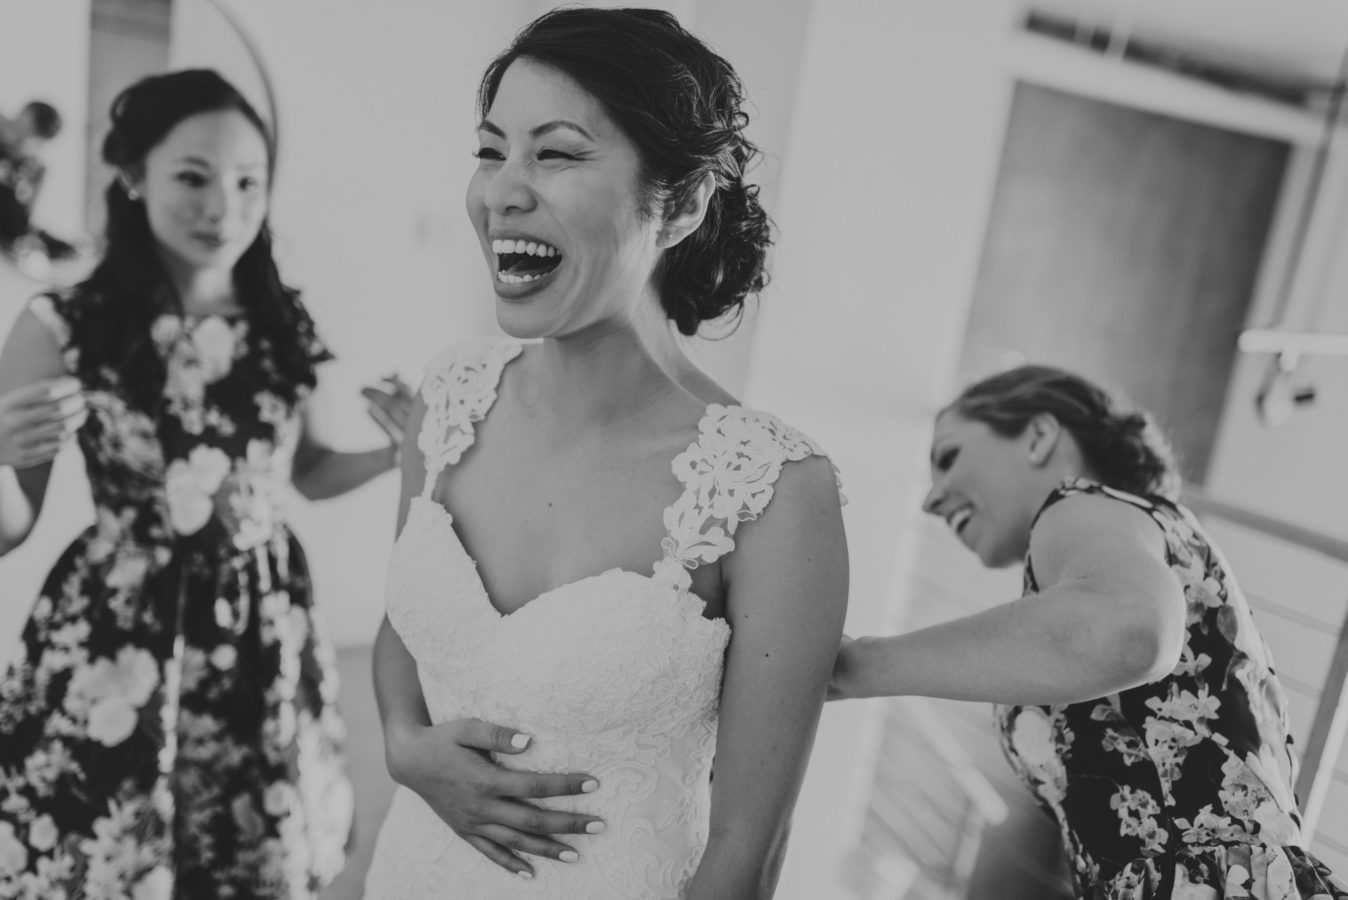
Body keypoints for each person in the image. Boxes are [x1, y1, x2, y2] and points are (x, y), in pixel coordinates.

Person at [363, 8, 849, 899]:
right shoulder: (452, 394)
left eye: (554, 153)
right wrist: (403, 746)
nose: (502, 191)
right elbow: (403, 638)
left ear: (683, 202)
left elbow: (746, 852)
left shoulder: (775, 493)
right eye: (490, 150)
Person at [0, 69, 411, 898]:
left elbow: (308, 474)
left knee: (240, 860)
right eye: (192, 176)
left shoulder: (281, 320)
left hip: (260, 631)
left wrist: (400, 451)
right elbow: (10, 525)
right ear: (132, 175)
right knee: (105, 858)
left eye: (248, 181)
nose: (223, 205)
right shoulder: (62, 325)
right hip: (118, 633)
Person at [829, 365, 1348, 899]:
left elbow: (1130, 630)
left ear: (1038, 436)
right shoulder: (1134, 537)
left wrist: (859, 666)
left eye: (949, 456)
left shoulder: (1074, 506)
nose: (930, 501)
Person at [0, 100, 77, 264]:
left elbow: (26, 217)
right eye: (17, 128)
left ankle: (53, 246)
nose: (16, 139)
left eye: (26, 137)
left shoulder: (32, 167)